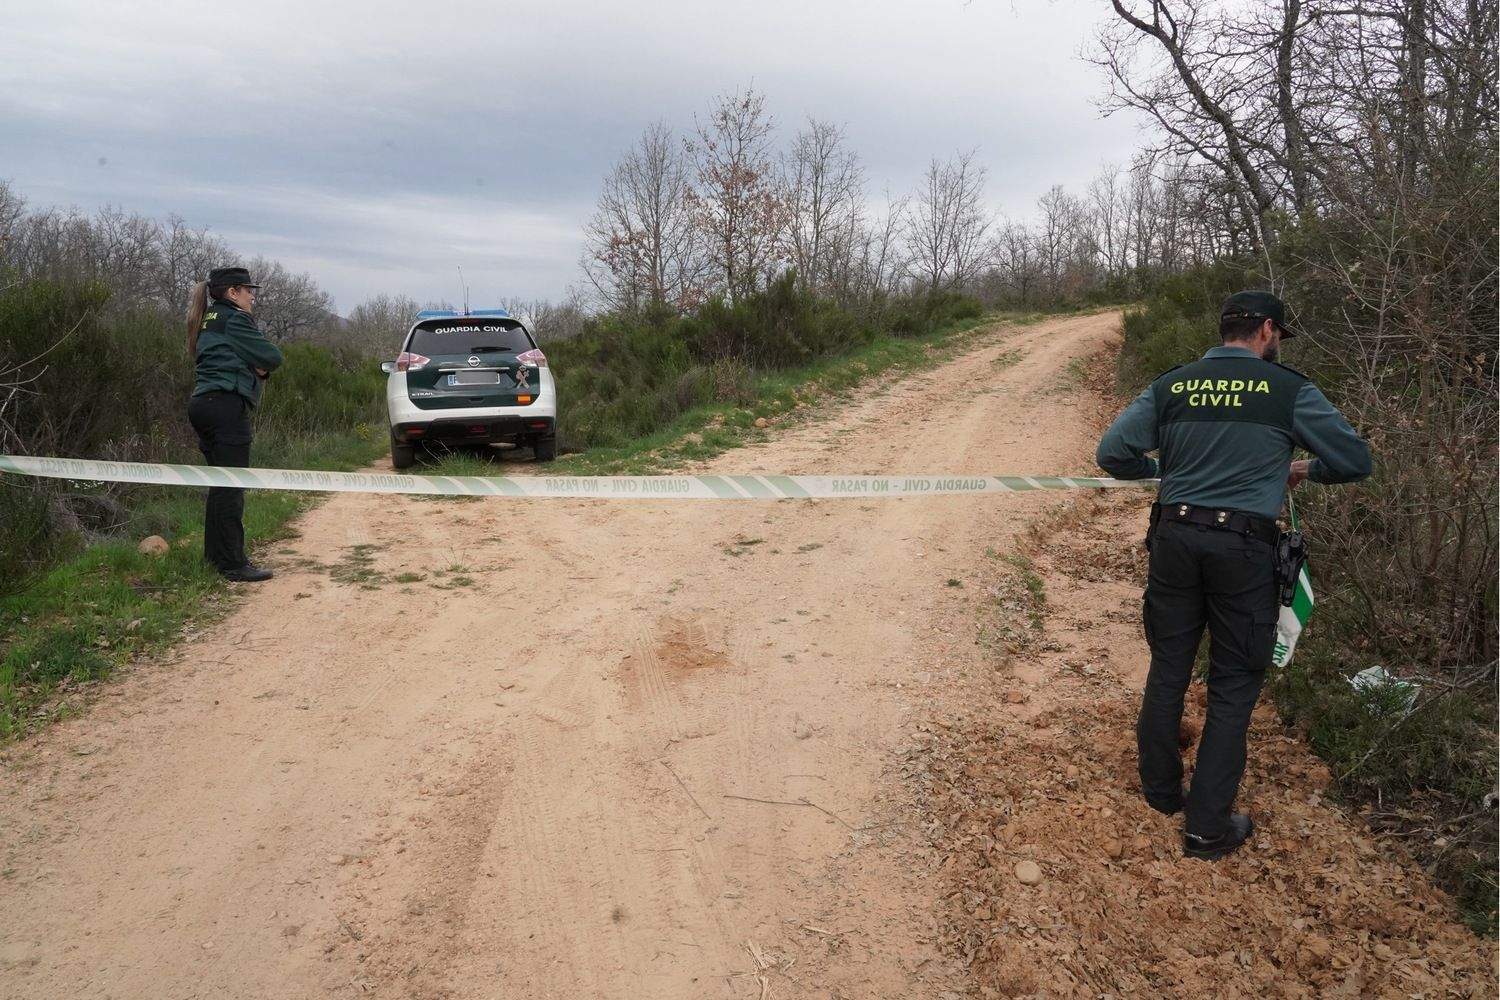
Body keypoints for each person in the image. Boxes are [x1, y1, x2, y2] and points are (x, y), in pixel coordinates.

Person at [1096, 290, 1371, 860]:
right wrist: (1303, 467)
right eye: (1279, 336)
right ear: (1267, 330)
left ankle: (1160, 794)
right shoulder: (1289, 390)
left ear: (1224, 329)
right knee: (1233, 684)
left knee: (1169, 665)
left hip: (1173, 538)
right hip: (1243, 548)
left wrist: (1167, 468)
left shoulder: (1173, 384)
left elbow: (1112, 454)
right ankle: (1206, 829)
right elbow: (1354, 462)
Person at [185, 266, 284, 582]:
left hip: (203, 404)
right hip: (226, 407)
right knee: (231, 488)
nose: (252, 296)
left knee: (220, 486)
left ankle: (215, 559)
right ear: (232, 292)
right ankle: (233, 564)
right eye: (248, 289)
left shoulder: (209, 318)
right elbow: (272, 356)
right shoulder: (236, 318)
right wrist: (260, 367)